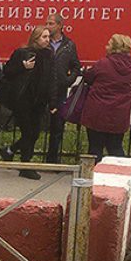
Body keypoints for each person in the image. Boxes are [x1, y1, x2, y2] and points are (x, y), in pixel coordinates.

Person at [0, 26, 53, 180]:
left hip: (39, 101)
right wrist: (23, 66)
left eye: (48, 37)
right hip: (24, 100)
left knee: (34, 133)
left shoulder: (48, 55)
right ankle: (25, 166)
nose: (47, 40)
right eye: (44, 37)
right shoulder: (23, 53)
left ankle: (9, 150)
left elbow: (50, 77)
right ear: (35, 38)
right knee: (29, 132)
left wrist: (51, 99)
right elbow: (7, 72)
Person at [80, 34, 131, 161]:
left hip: (98, 112)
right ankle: (119, 174)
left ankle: (95, 174)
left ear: (114, 47)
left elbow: (88, 77)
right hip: (119, 113)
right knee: (116, 147)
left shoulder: (103, 63)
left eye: (108, 44)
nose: (106, 46)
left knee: (95, 147)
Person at [45, 13, 82, 163]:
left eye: (51, 23)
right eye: (47, 23)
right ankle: (26, 159)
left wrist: (68, 80)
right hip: (42, 89)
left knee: (57, 127)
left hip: (59, 91)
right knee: (33, 126)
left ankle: (52, 159)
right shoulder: (43, 41)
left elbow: (76, 66)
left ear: (60, 25)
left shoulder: (68, 45)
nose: (48, 26)